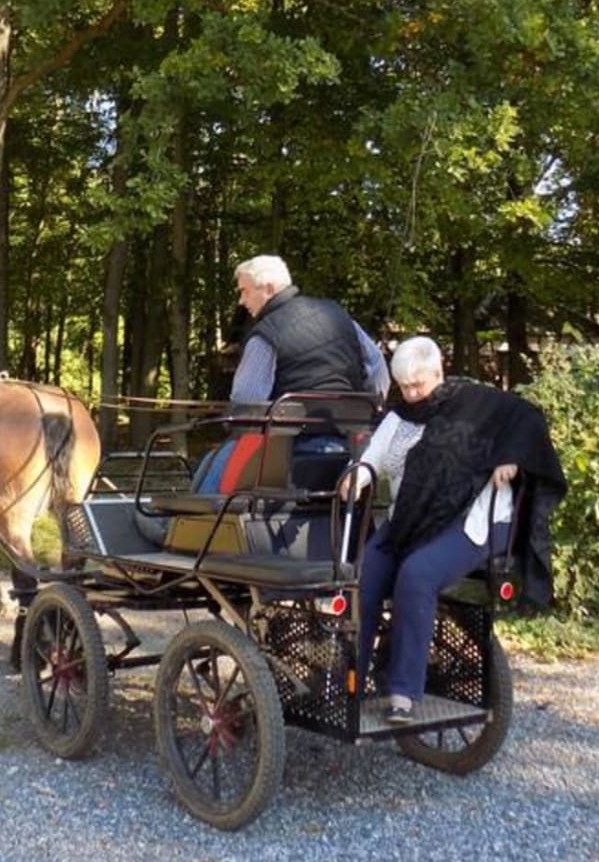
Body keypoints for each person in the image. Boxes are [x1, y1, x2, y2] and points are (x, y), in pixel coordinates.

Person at [342, 335, 566, 724]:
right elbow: (372, 461)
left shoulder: (475, 402)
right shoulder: (398, 417)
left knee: (417, 574)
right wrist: (358, 477)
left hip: (472, 520)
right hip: (410, 519)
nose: (412, 394)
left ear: (438, 372)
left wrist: (510, 458)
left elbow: (527, 416)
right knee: (368, 574)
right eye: (405, 386)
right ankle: (351, 680)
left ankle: (403, 692)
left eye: (419, 384)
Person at [218, 255, 387, 492]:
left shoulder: (265, 335)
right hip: (351, 447)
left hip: (288, 450)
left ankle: (173, 524)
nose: (241, 301)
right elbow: (377, 365)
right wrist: (368, 407)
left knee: (218, 460)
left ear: (267, 288)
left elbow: (246, 406)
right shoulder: (338, 316)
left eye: (245, 291)